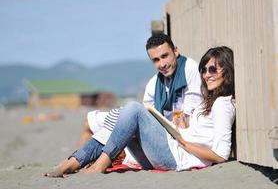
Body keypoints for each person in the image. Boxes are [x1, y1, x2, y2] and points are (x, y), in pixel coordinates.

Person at [44, 33, 202, 177]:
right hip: (155, 149)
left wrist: (175, 120)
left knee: (133, 108)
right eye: (156, 60)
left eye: (165, 56)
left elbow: (186, 123)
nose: (161, 64)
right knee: (120, 120)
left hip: (178, 152)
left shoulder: (190, 70)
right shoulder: (154, 84)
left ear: (176, 51)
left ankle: (100, 163)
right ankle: (73, 162)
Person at [81, 45, 236, 173]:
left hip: (176, 157)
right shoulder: (209, 101)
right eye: (204, 70)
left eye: (213, 70)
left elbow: (221, 155)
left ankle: (94, 164)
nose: (206, 75)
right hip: (172, 150)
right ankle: (78, 161)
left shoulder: (223, 104)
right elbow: (200, 133)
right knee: (124, 120)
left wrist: (184, 143)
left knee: (134, 109)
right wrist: (181, 127)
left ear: (227, 72)